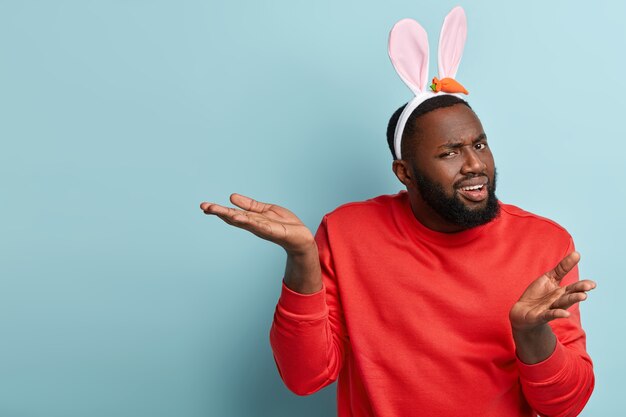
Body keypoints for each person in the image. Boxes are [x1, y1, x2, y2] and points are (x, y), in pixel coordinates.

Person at [200, 8, 595, 417]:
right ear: (404, 172)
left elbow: (566, 406)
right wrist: (302, 261)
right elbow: (306, 378)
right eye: (449, 153)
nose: (475, 165)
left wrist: (532, 335)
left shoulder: (545, 245)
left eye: (479, 145)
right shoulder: (345, 233)